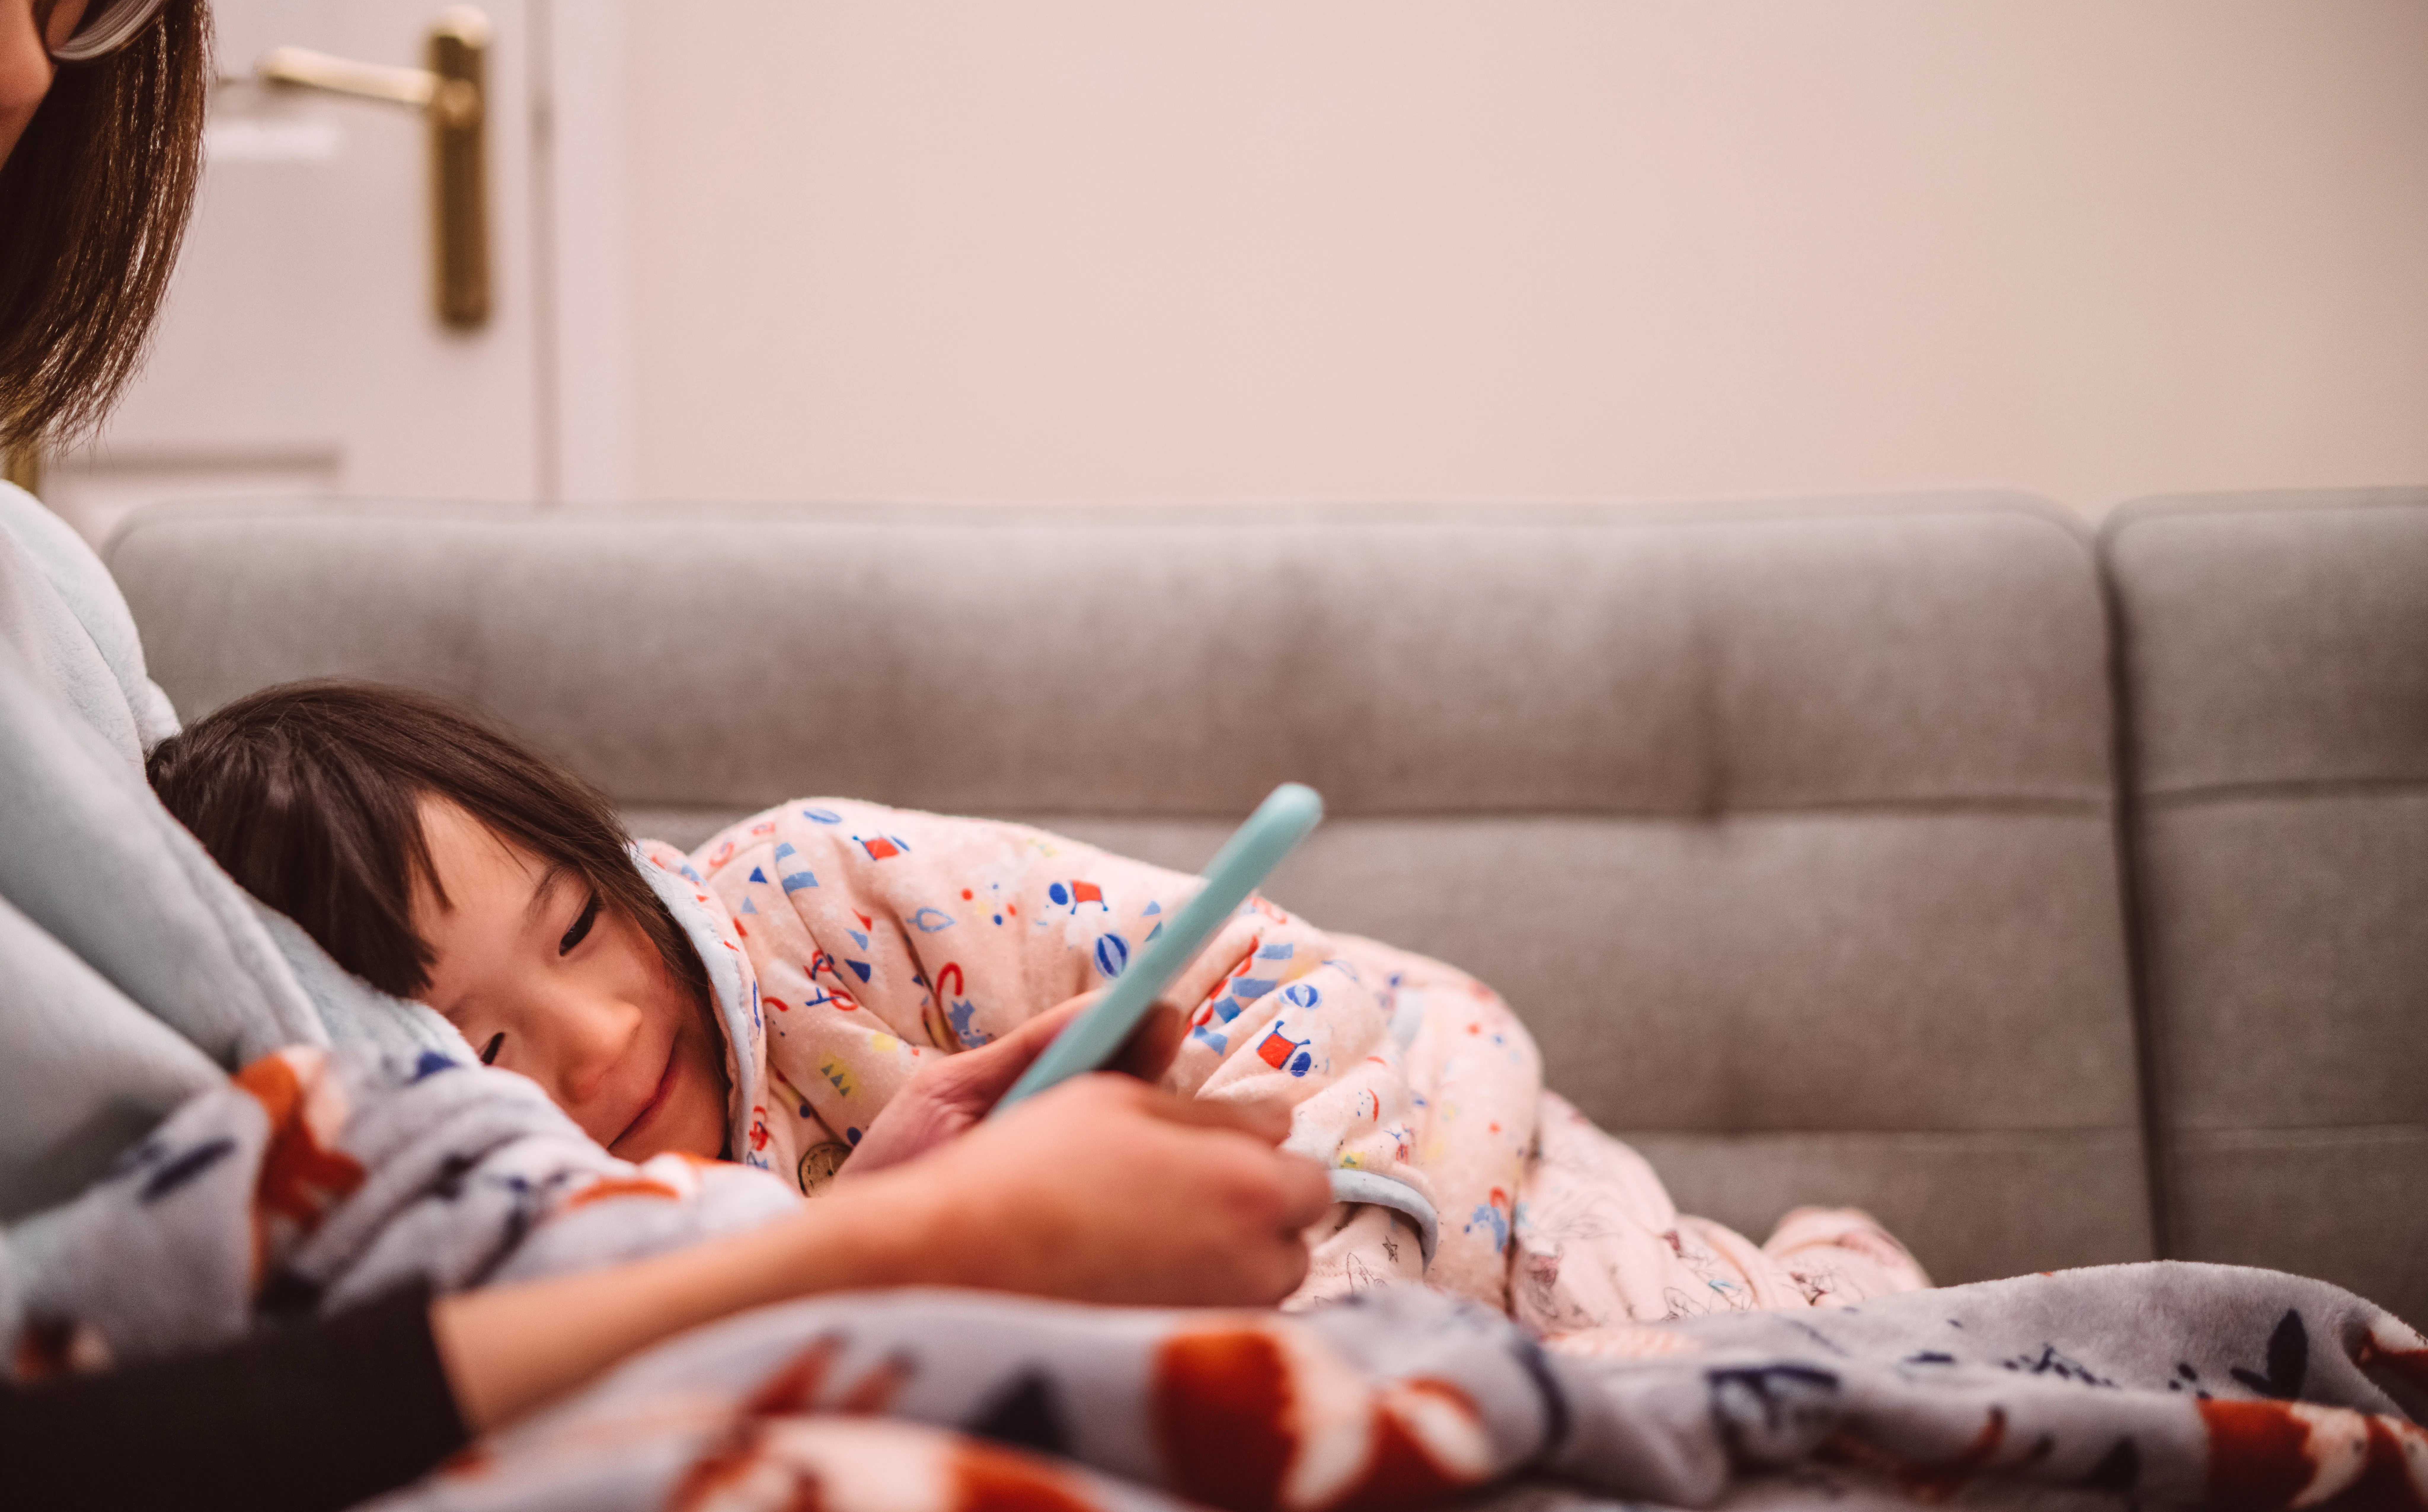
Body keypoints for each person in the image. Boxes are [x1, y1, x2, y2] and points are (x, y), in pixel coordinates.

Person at [0, 0, 1330, 1509]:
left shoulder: (46, 590)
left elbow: (354, 1163)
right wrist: (894, 1256)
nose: (24, 66)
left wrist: (855, 1238)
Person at [150, 677, 1936, 1341]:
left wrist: (1335, 1257)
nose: (605, 1037)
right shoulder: (544, 1262)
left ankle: (1815, 1270)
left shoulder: (814, 893)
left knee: (1653, 1327)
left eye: (577, 925)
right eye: (485, 1050)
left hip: (1398, 1119)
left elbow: (1284, 992)